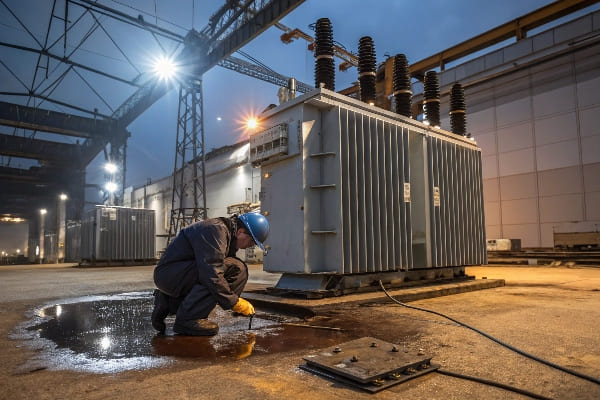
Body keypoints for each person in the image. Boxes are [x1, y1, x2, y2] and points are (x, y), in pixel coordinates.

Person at [151, 212, 269, 336]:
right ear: (240, 232)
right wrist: (233, 301)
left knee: (234, 267)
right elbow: (212, 273)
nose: (250, 246)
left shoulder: (224, 233)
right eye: (252, 241)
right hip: (171, 275)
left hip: (173, 275)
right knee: (234, 269)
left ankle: (169, 302)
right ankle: (188, 319)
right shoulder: (216, 230)